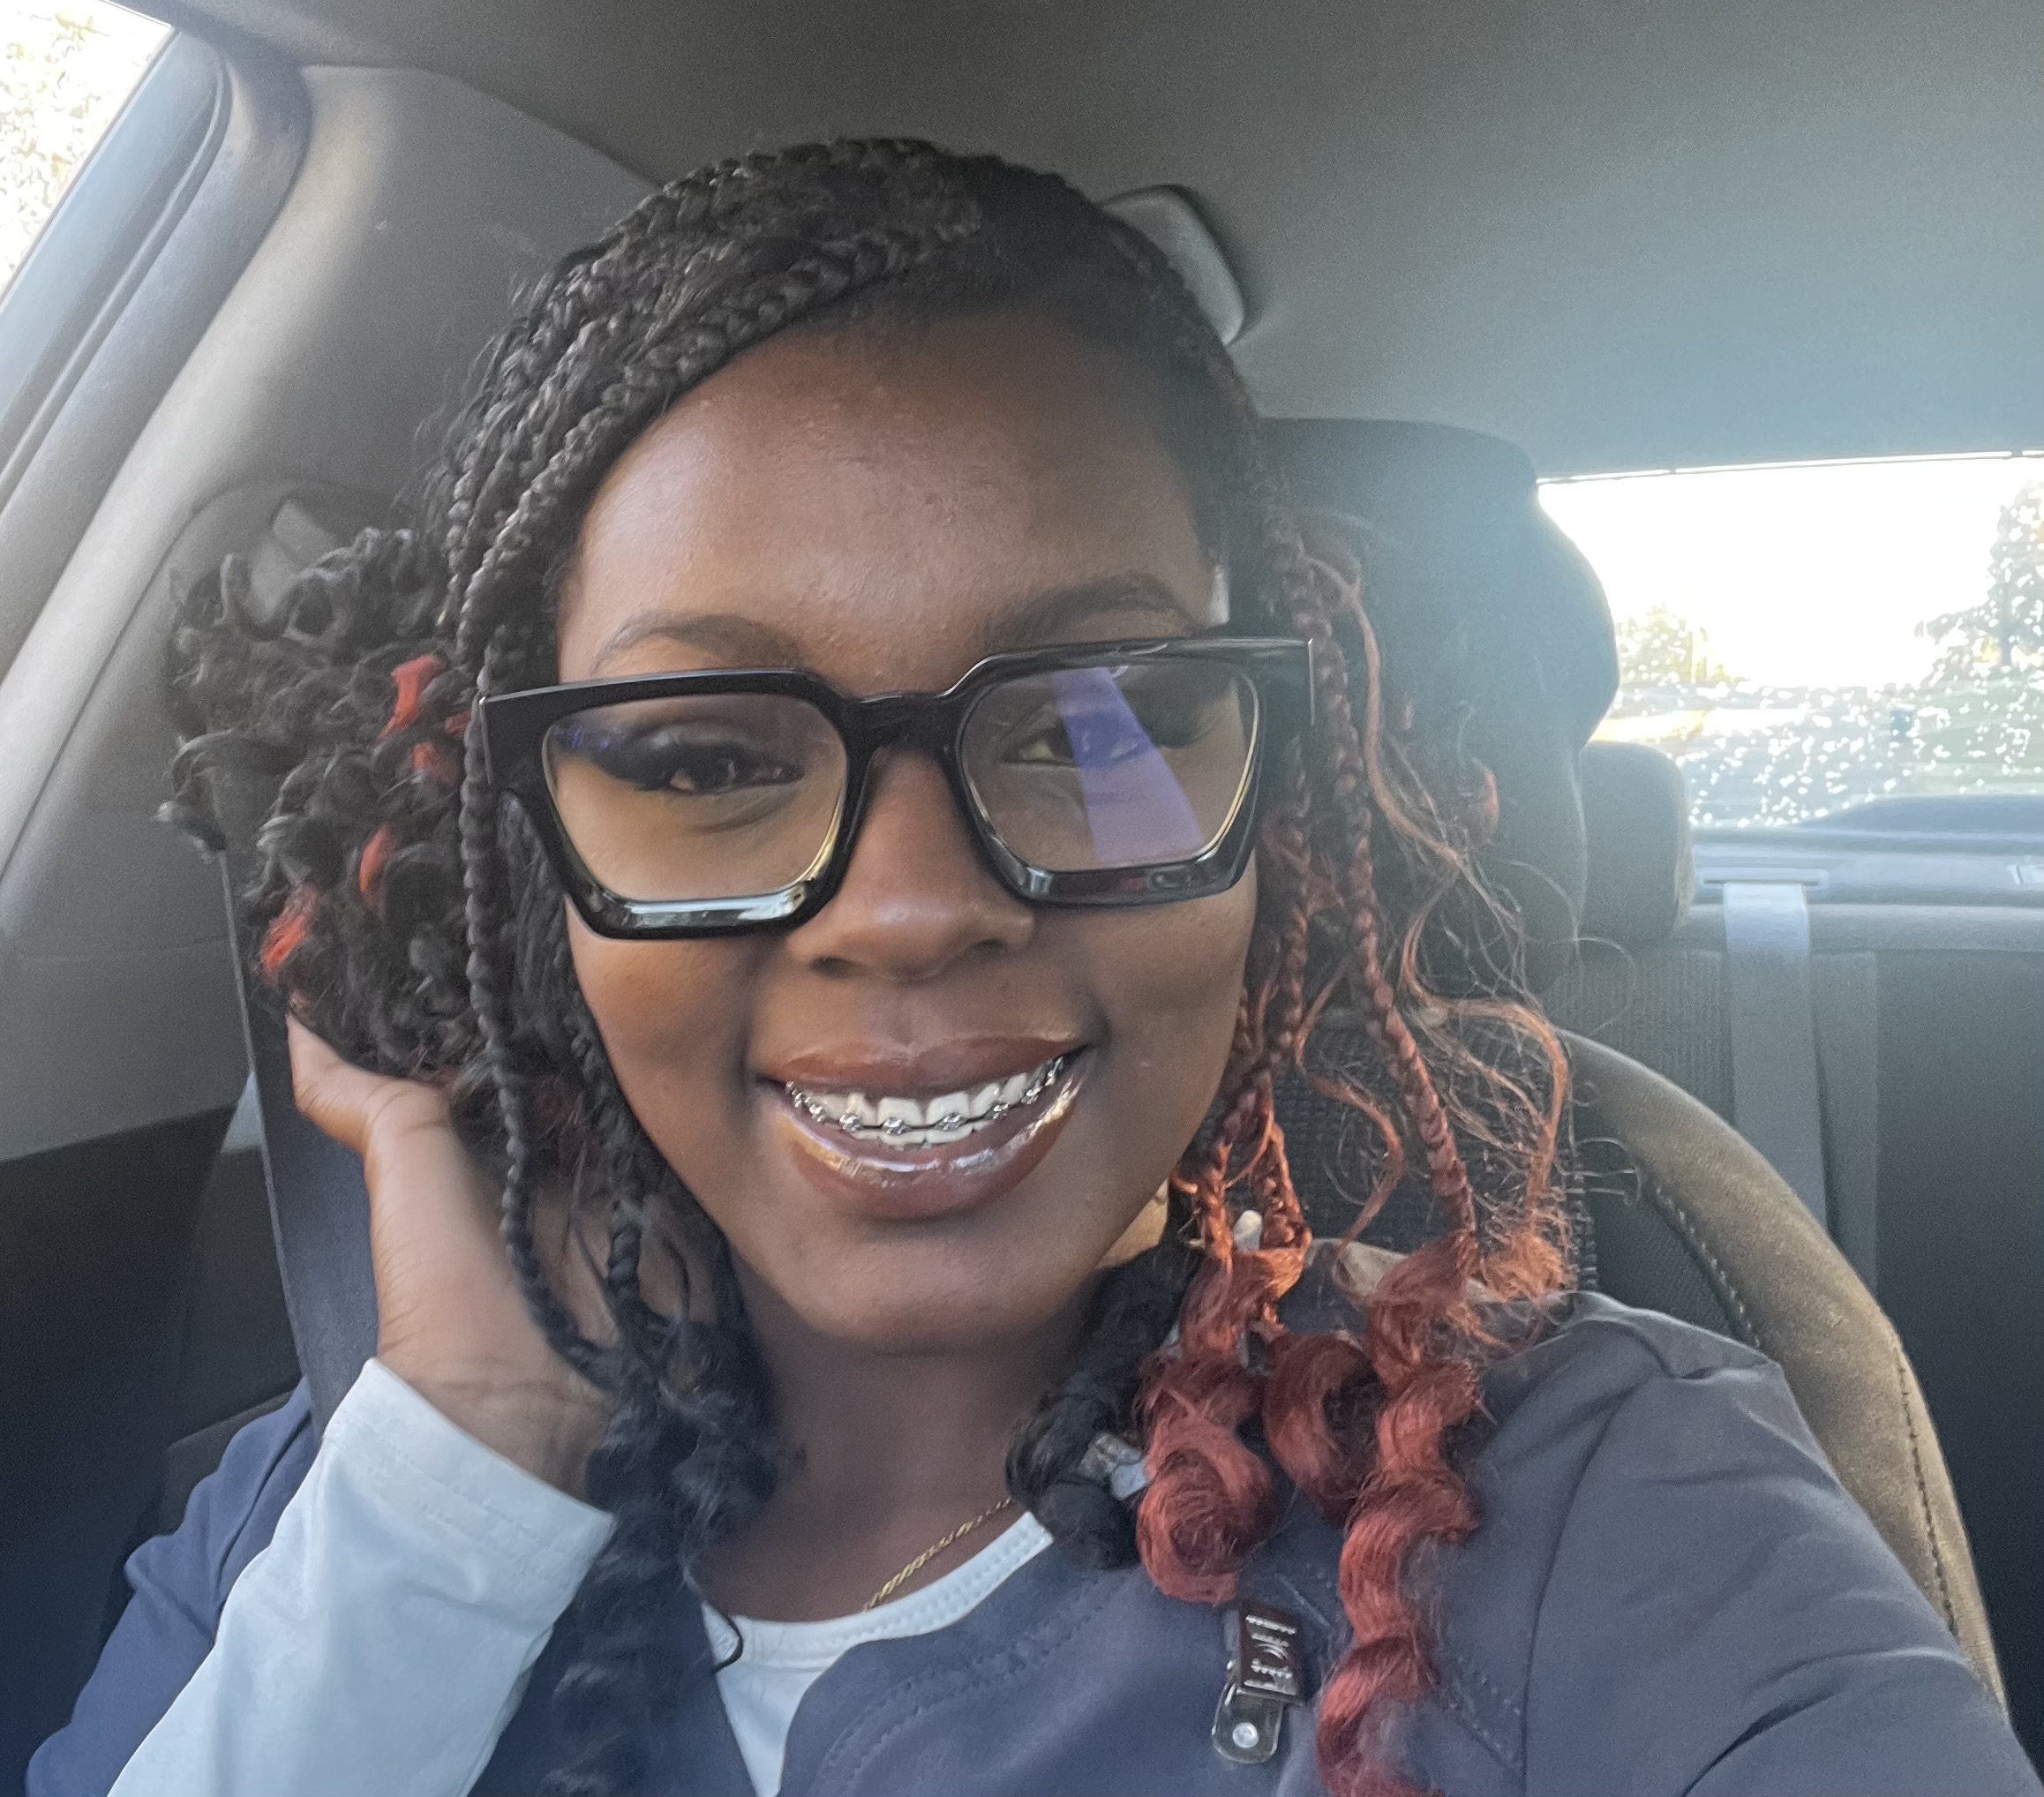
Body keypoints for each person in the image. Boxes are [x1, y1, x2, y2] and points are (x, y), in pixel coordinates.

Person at [29, 142, 2039, 1797]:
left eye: (1101, 722)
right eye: (705, 758)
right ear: (519, 856)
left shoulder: (1616, 1511)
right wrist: (470, 1446)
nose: (910, 907)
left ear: (1274, 805)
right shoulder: (341, 1497)